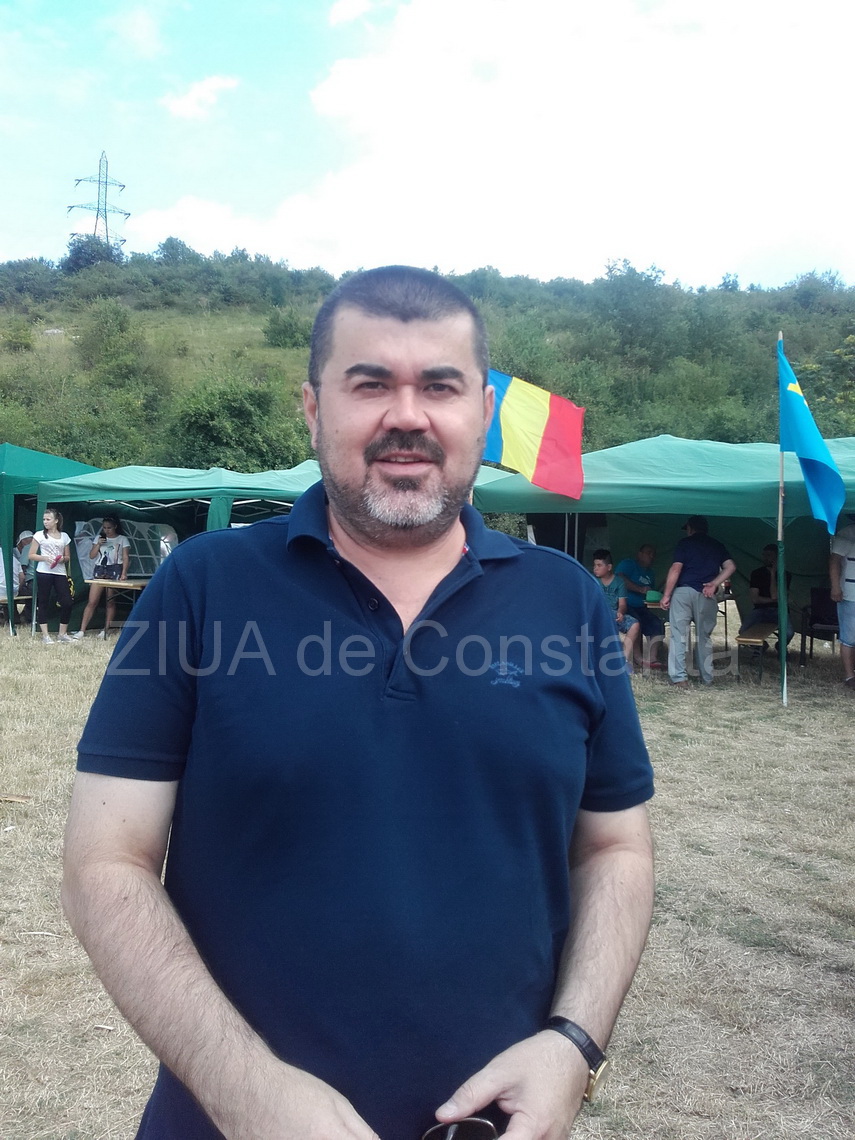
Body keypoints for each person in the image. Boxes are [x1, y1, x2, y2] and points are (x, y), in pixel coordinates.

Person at [62, 266, 655, 1140]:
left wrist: (573, 1045)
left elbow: (614, 848)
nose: (406, 416)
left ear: (482, 412)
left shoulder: (565, 600)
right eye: (369, 384)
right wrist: (242, 1089)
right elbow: (104, 864)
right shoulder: (203, 585)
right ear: (313, 409)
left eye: (439, 386)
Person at [661, 515, 736, 688]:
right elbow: (731, 566)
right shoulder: (717, 545)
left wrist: (666, 595)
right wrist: (714, 584)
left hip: (684, 592)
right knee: (704, 637)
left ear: (690, 528)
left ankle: (680, 678)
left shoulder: (684, 543)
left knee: (679, 635)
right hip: (706, 593)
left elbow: (676, 569)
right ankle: (707, 678)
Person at [72, 515, 131, 639]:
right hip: (99, 569)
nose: (106, 530)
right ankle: (82, 630)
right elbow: (92, 555)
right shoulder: (99, 538)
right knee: (92, 601)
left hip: (115, 569)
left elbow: (126, 557)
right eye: (104, 528)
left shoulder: (122, 539)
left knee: (110, 601)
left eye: (109, 528)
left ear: (115, 527)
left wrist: (124, 573)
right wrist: (98, 544)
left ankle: (105, 630)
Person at [29, 508, 76, 644]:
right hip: (44, 572)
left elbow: (68, 557)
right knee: (43, 601)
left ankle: (62, 633)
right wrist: (44, 558)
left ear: (56, 520)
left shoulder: (64, 536)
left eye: (48, 519)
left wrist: (61, 559)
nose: (45, 522)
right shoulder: (39, 535)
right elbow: (31, 555)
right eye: (44, 519)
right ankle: (45, 635)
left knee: (67, 602)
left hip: (60, 572)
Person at [615, 544, 665, 668]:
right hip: (625, 605)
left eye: (653, 554)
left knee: (657, 623)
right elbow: (619, 578)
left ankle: (653, 658)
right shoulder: (629, 564)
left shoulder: (651, 573)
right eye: (648, 553)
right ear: (640, 554)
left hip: (642, 607)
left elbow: (649, 593)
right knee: (636, 621)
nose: (651, 556)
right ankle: (638, 657)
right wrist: (640, 589)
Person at [591, 548, 641, 672]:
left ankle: (623, 660)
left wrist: (621, 612)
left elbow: (622, 604)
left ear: (609, 567)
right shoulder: (592, 581)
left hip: (613, 614)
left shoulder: (619, 582)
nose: (595, 568)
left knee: (635, 624)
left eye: (599, 565)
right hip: (596, 614)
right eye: (594, 565)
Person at [738, 543, 794, 648]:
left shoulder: (785, 575)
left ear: (777, 557)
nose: (765, 558)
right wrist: (775, 600)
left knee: (789, 633)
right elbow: (755, 599)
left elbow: (774, 595)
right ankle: (761, 647)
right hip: (760, 610)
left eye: (769, 555)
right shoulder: (756, 574)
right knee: (743, 631)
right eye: (764, 555)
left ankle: (780, 647)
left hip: (779, 610)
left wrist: (773, 574)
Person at [829, 513, 855, 688]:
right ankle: (849, 676)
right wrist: (835, 587)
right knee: (849, 636)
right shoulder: (847, 533)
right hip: (851, 594)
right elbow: (834, 561)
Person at [16, 529, 35, 624]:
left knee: (29, 599)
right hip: (44, 577)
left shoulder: (27, 547)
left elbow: (23, 566)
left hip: (32, 580)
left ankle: (28, 619)